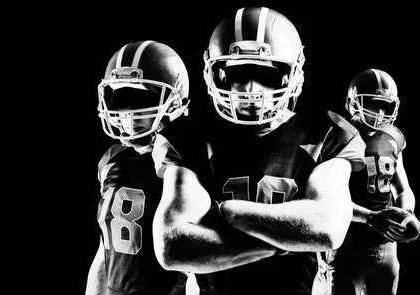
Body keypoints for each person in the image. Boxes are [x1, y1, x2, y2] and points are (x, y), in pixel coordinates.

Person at [151, 7, 367, 295]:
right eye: (237, 73)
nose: (251, 90)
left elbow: (327, 228)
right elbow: (173, 246)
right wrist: (285, 240)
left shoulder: (326, 133)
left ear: (294, 73)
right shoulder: (191, 136)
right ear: (214, 72)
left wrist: (233, 212)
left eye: (268, 74)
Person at [85, 40, 196, 295]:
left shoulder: (190, 162)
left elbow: (198, 264)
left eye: (142, 98)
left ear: (174, 102)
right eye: (121, 98)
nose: (129, 112)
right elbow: (107, 249)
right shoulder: (113, 158)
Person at [312, 68, 420, 295]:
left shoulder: (393, 137)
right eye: (372, 103)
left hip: (385, 243)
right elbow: (326, 201)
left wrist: (406, 213)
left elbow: (403, 188)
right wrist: (371, 218)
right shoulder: (338, 137)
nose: (380, 112)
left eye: (385, 105)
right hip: (347, 242)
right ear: (351, 103)